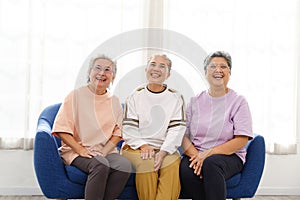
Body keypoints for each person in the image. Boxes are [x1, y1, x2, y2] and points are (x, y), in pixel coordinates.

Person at [52, 55, 131, 200]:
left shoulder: (114, 101)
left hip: (104, 150)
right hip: (76, 150)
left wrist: (103, 151)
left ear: (113, 77)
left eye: (108, 70)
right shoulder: (75, 96)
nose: (102, 73)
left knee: (124, 165)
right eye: (98, 68)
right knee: (101, 165)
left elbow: (118, 132)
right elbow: (62, 130)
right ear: (89, 72)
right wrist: (81, 150)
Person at [180, 51, 253, 200]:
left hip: (229, 155)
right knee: (186, 170)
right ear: (205, 73)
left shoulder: (238, 101)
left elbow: (242, 139)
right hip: (197, 152)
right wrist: (197, 156)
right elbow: (182, 135)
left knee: (211, 164)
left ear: (229, 73)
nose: (218, 70)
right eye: (213, 66)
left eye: (223, 67)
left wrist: (207, 154)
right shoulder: (195, 101)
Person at [121, 54, 186, 200]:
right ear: (146, 69)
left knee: (172, 164)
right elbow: (129, 128)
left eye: (162, 66)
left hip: (165, 148)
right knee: (148, 164)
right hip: (135, 147)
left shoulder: (176, 97)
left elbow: (177, 129)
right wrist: (143, 146)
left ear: (168, 74)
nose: (156, 69)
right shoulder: (135, 95)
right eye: (153, 64)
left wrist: (163, 152)